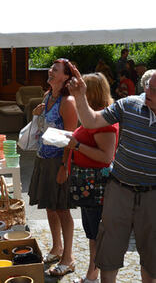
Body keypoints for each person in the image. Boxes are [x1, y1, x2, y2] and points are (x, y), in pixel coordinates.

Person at [67, 63, 156, 283]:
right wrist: (80, 96)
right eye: (147, 86)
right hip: (119, 190)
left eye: (154, 90)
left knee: (152, 261)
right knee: (108, 256)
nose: (147, 92)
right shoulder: (128, 105)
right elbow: (91, 121)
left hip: (152, 196)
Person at [67, 73, 119, 283]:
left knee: (96, 234)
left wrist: (77, 145)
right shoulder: (95, 116)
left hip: (96, 186)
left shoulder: (104, 121)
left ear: (91, 92)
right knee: (93, 233)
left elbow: (106, 157)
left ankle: (93, 275)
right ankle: (93, 274)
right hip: (90, 184)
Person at [28, 58, 78, 276]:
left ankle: (69, 257)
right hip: (43, 158)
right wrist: (36, 116)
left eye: (55, 70)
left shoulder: (68, 102)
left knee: (62, 208)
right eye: (51, 68)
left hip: (58, 161)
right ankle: (56, 247)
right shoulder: (48, 97)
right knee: (50, 206)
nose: (50, 71)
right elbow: (43, 128)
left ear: (66, 77)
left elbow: (71, 138)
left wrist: (64, 167)